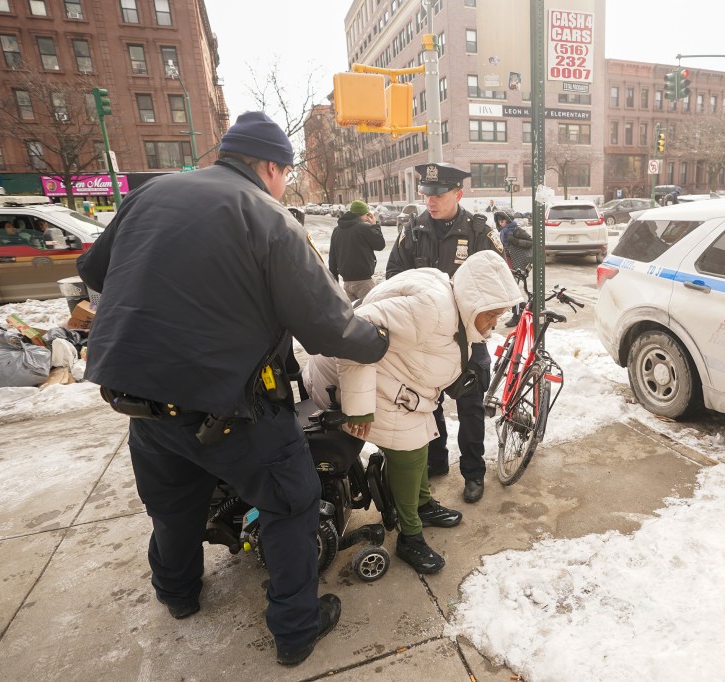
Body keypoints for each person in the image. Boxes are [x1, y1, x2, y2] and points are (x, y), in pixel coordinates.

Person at [76, 111, 390, 667]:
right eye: (286, 173)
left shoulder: (150, 195)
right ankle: (295, 631)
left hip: (141, 401)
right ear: (270, 165)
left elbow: (94, 270)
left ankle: (177, 595)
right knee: (292, 502)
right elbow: (328, 325)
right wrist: (375, 340)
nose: (285, 183)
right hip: (230, 409)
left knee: (173, 507)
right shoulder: (266, 216)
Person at [303, 250, 522, 573]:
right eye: (491, 314)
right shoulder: (433, 309)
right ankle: (410, 536)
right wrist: (358, 407)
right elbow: (354, 331)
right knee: (409, 454)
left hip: (389, 383)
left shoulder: (452, 305)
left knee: (421, 441)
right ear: (474, 300)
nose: (493, 324)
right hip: (347, 381)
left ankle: (420, 505)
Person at [385, 162, 505, 504]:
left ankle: (473, 473)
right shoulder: (414, 230)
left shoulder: (479, 230)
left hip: (467, 337)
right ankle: (437, 462)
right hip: (426, 337)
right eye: (426, 194)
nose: (431, 201)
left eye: (438, 194)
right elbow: (395, 273)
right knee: (426, 403)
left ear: (458, 194)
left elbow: (499, 279)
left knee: (469, 407)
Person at [327, 199, 386, 302]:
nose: (367, 218)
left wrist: (335, 282)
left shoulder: (337, 230)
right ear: (361, 214)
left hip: (347, 283)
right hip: (364, 282)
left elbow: (332, 258)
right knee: (371, 311)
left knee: (356, 313)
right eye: (366, 215)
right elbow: (380, 245)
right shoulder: (364, 228)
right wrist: (374, 225)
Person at [494, 211, 533, 327]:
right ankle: (521, 308)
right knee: (510, 289)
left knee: (512, 289)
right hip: (508, 263)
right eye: (499, 222)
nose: (501, 224)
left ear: (508, 221)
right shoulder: (503, 232)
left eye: (503, 221)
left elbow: (531, 242)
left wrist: (515, 241)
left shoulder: (516, 230)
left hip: (518, 263)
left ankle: (518, 314)